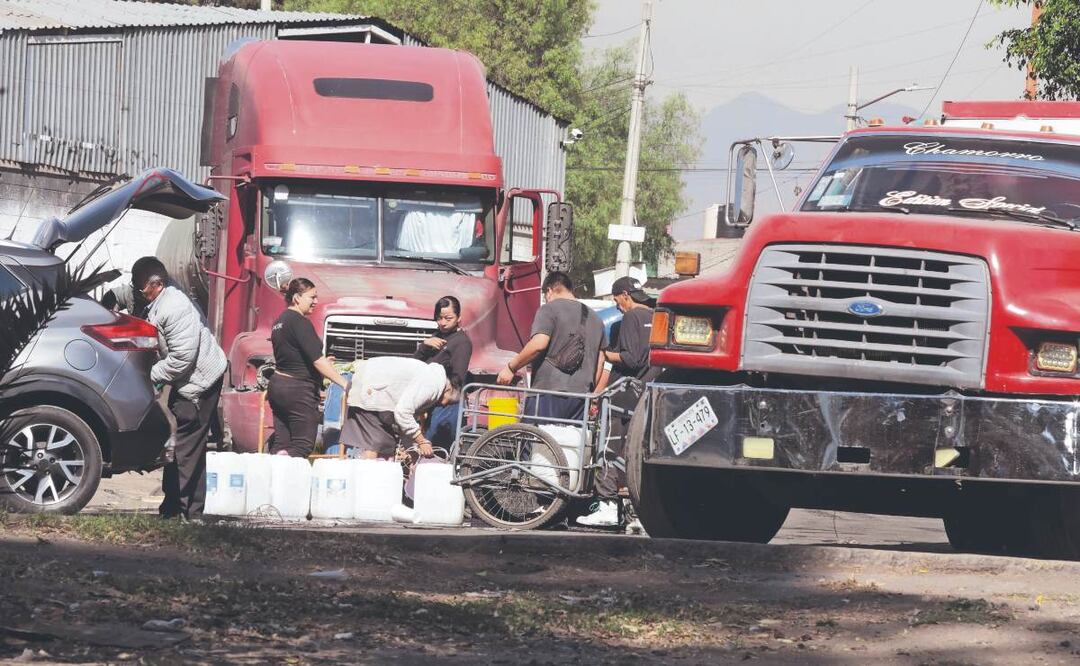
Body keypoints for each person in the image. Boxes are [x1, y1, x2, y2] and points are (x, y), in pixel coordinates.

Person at [134, 257, 227, 520]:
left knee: (188, 446)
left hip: (200, 382)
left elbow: (182, 358)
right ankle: (172, 507)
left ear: (157, 284)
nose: (137, 291)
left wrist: (149, 376)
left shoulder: (174, 308)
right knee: (179, 445)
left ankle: (191, 513)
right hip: (186, 379)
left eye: (140, 286)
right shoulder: (159, 301)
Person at [578, 276, 659, 527]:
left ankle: (607, 507)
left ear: (625, 295)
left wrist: (604, 352)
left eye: (617, 301)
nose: (618, 307)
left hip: (623, 396)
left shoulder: (632, 317)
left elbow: (632, 359)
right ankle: (636, 514)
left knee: (608, 448)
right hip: (646, 394)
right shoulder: (656, 316)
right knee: (635, 455)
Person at [496, 271, 605, 421]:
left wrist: (511, 368)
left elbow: (538, 344)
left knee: (535, 440)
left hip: (547, 392)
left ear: (549, 291)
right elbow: (600, 359)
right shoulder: (596, 319)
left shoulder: (549, 309)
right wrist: (590, 390)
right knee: (569, 443)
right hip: (580, 397)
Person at [268, 278, 349, 457]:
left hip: (278, 386)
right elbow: (317, 360)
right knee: (303, 444)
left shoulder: (279, 322)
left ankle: (274, 478)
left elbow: (292, 355)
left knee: (282, 443)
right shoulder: (299, 322)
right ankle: (286, 469)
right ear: (297, 297)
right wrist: (344, 383)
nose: (316, 301)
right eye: (312, 297)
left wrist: (324, 363)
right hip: (297, 390)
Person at [342, 357, 462, 459]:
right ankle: (366, 482)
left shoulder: (431, 378)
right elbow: (403, 412)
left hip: (371, 384)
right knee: (376, 443)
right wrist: (422, 441)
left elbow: (404, 424)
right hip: (371, 389)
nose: (444, 405)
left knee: (386, 443)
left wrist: (414, 457)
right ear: (449, 389)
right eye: (450, 402)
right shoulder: (433, 385)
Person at [414, 295, 472, 448]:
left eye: (448, 318)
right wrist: (424, 346)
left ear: (459, 317)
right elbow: (414, 364)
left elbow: (457, 377)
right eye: (439, 318)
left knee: (437, 448)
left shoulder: (462, 342)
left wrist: (442, 395)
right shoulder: (436, 337)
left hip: (446, 404)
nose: (443, 323)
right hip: (428, 401)